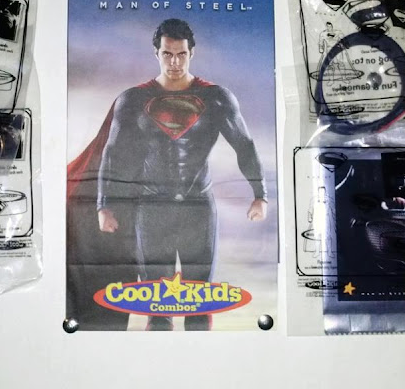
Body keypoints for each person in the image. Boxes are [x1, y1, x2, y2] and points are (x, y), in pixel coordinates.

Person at [70, 18, 267, 331]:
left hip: (197, 207)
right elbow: (113, 152)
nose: (174, 62)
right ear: (156, 53)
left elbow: (244, 145)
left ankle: (199, 361)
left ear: (192, 53)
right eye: (167, 54)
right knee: (157, 304)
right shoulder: (133, 99)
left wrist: (260, 194)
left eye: (181, 54)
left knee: (199, 300)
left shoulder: (216, 97)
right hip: (152, 208)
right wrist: (103, 206)